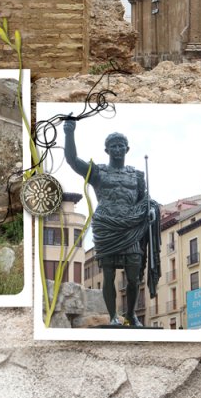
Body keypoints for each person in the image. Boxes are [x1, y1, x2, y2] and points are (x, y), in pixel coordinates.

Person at [63, 120, 160, 328]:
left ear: (127, 149)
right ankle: (113, 316)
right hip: (107, 227)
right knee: (108, 274)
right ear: (107, 149)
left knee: (133, 277)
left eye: (120, 145)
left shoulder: (137, 175)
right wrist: (69, 131)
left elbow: (145, 199)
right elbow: (72, 160)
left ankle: (132, 315)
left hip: (131, 229)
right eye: (113, 146)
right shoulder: (98, 172)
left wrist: (151, 209)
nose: (117, 149)